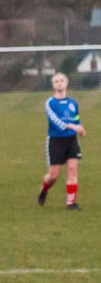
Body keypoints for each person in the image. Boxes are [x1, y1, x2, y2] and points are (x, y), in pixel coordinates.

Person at [38, 72, 85, 210]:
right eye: (56, 81)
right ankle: (44, 188)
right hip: (56, 140)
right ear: (53, 85)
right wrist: (73, 126)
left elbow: (76, 118)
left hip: (71, 140)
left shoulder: (73, 103)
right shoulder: (50, 103)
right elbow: (56, 121)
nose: (59, 83)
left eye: (61, 80)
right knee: (54, 175)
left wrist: (80, 127)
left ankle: (71, 203)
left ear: (67, 82)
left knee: (72, 170)